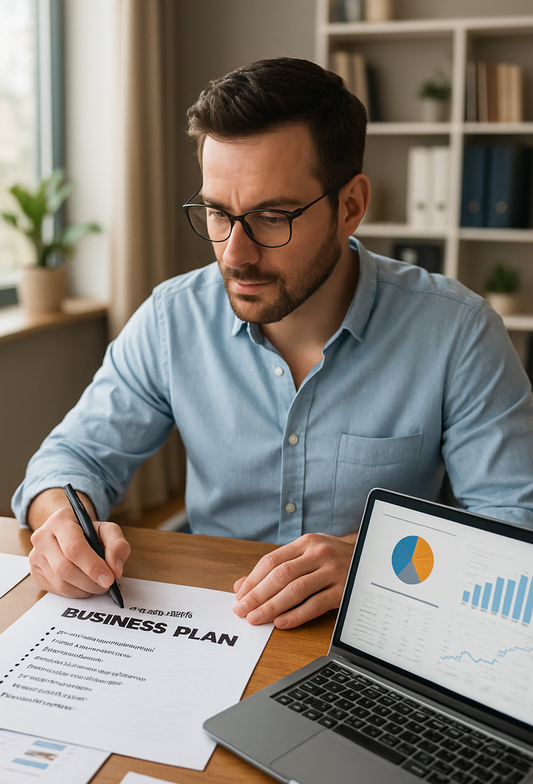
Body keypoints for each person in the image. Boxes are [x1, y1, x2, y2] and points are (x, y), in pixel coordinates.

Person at [12, 58, 533, 630]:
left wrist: (373, 557)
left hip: (382, 626)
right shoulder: (172, 319)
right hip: (214, 623)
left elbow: (514, 521)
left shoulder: (457, 331)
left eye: (271, 216)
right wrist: (62, 520)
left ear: (351, 206)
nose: (234, 253)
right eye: (217, 212)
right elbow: (70, 459)